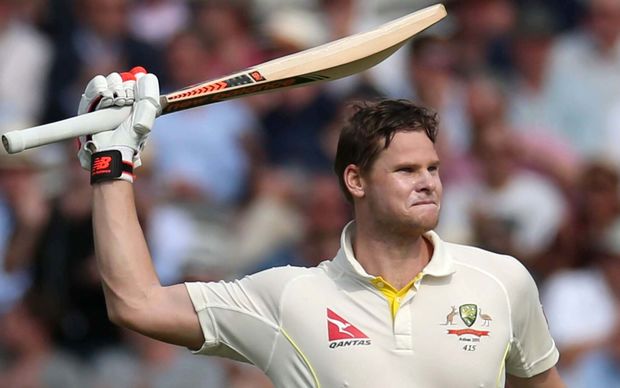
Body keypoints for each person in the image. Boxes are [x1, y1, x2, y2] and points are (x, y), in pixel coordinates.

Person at [75, 67, 564, 387]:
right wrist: (113, 165)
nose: (429, 183)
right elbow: (135, 302)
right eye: (406, 170)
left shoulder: (502, 280)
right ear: (356, 180)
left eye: (432, 169)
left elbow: (541, 382)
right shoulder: (288, 295)